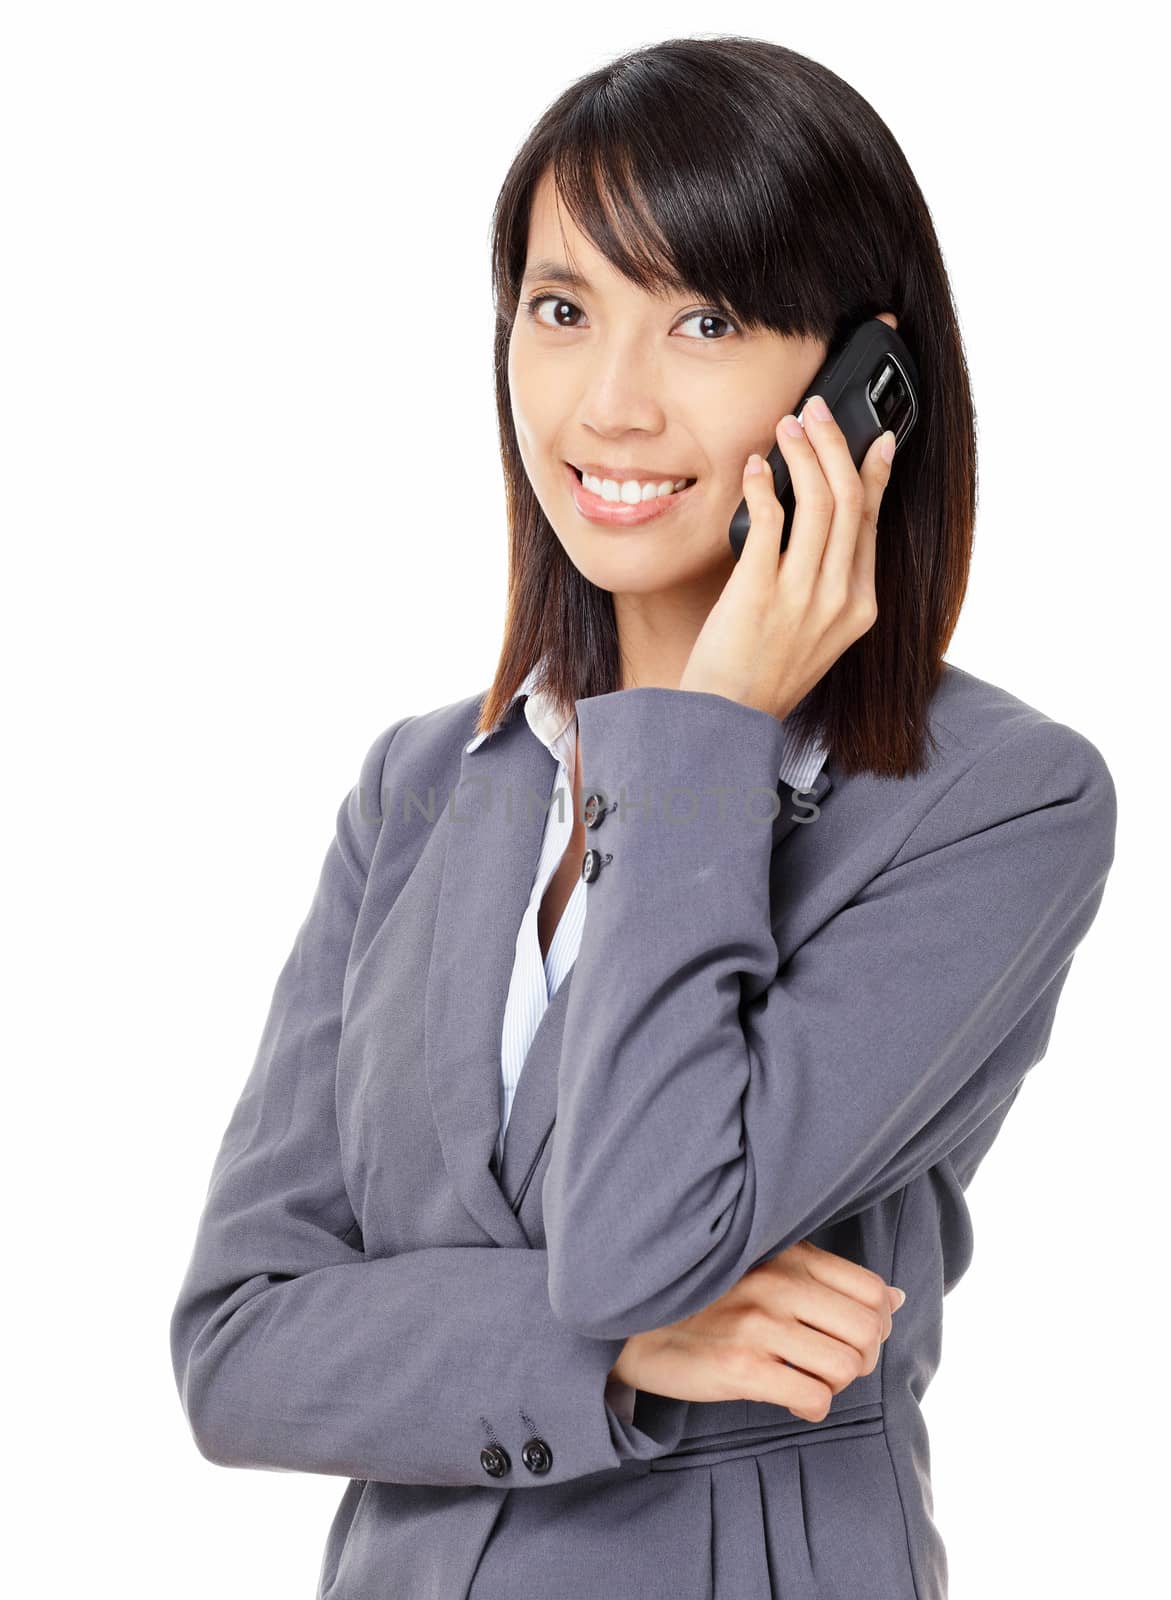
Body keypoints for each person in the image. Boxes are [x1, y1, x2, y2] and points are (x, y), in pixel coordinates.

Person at [168, 35, 1117, 1600]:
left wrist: (712, 733)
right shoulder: (425, 783)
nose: (606, 402)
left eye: (705, 318)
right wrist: (625, 1361)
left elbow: (633, 1241)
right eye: (560, 311)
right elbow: (238, 1346)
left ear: (861, 387)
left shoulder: (995, 803)